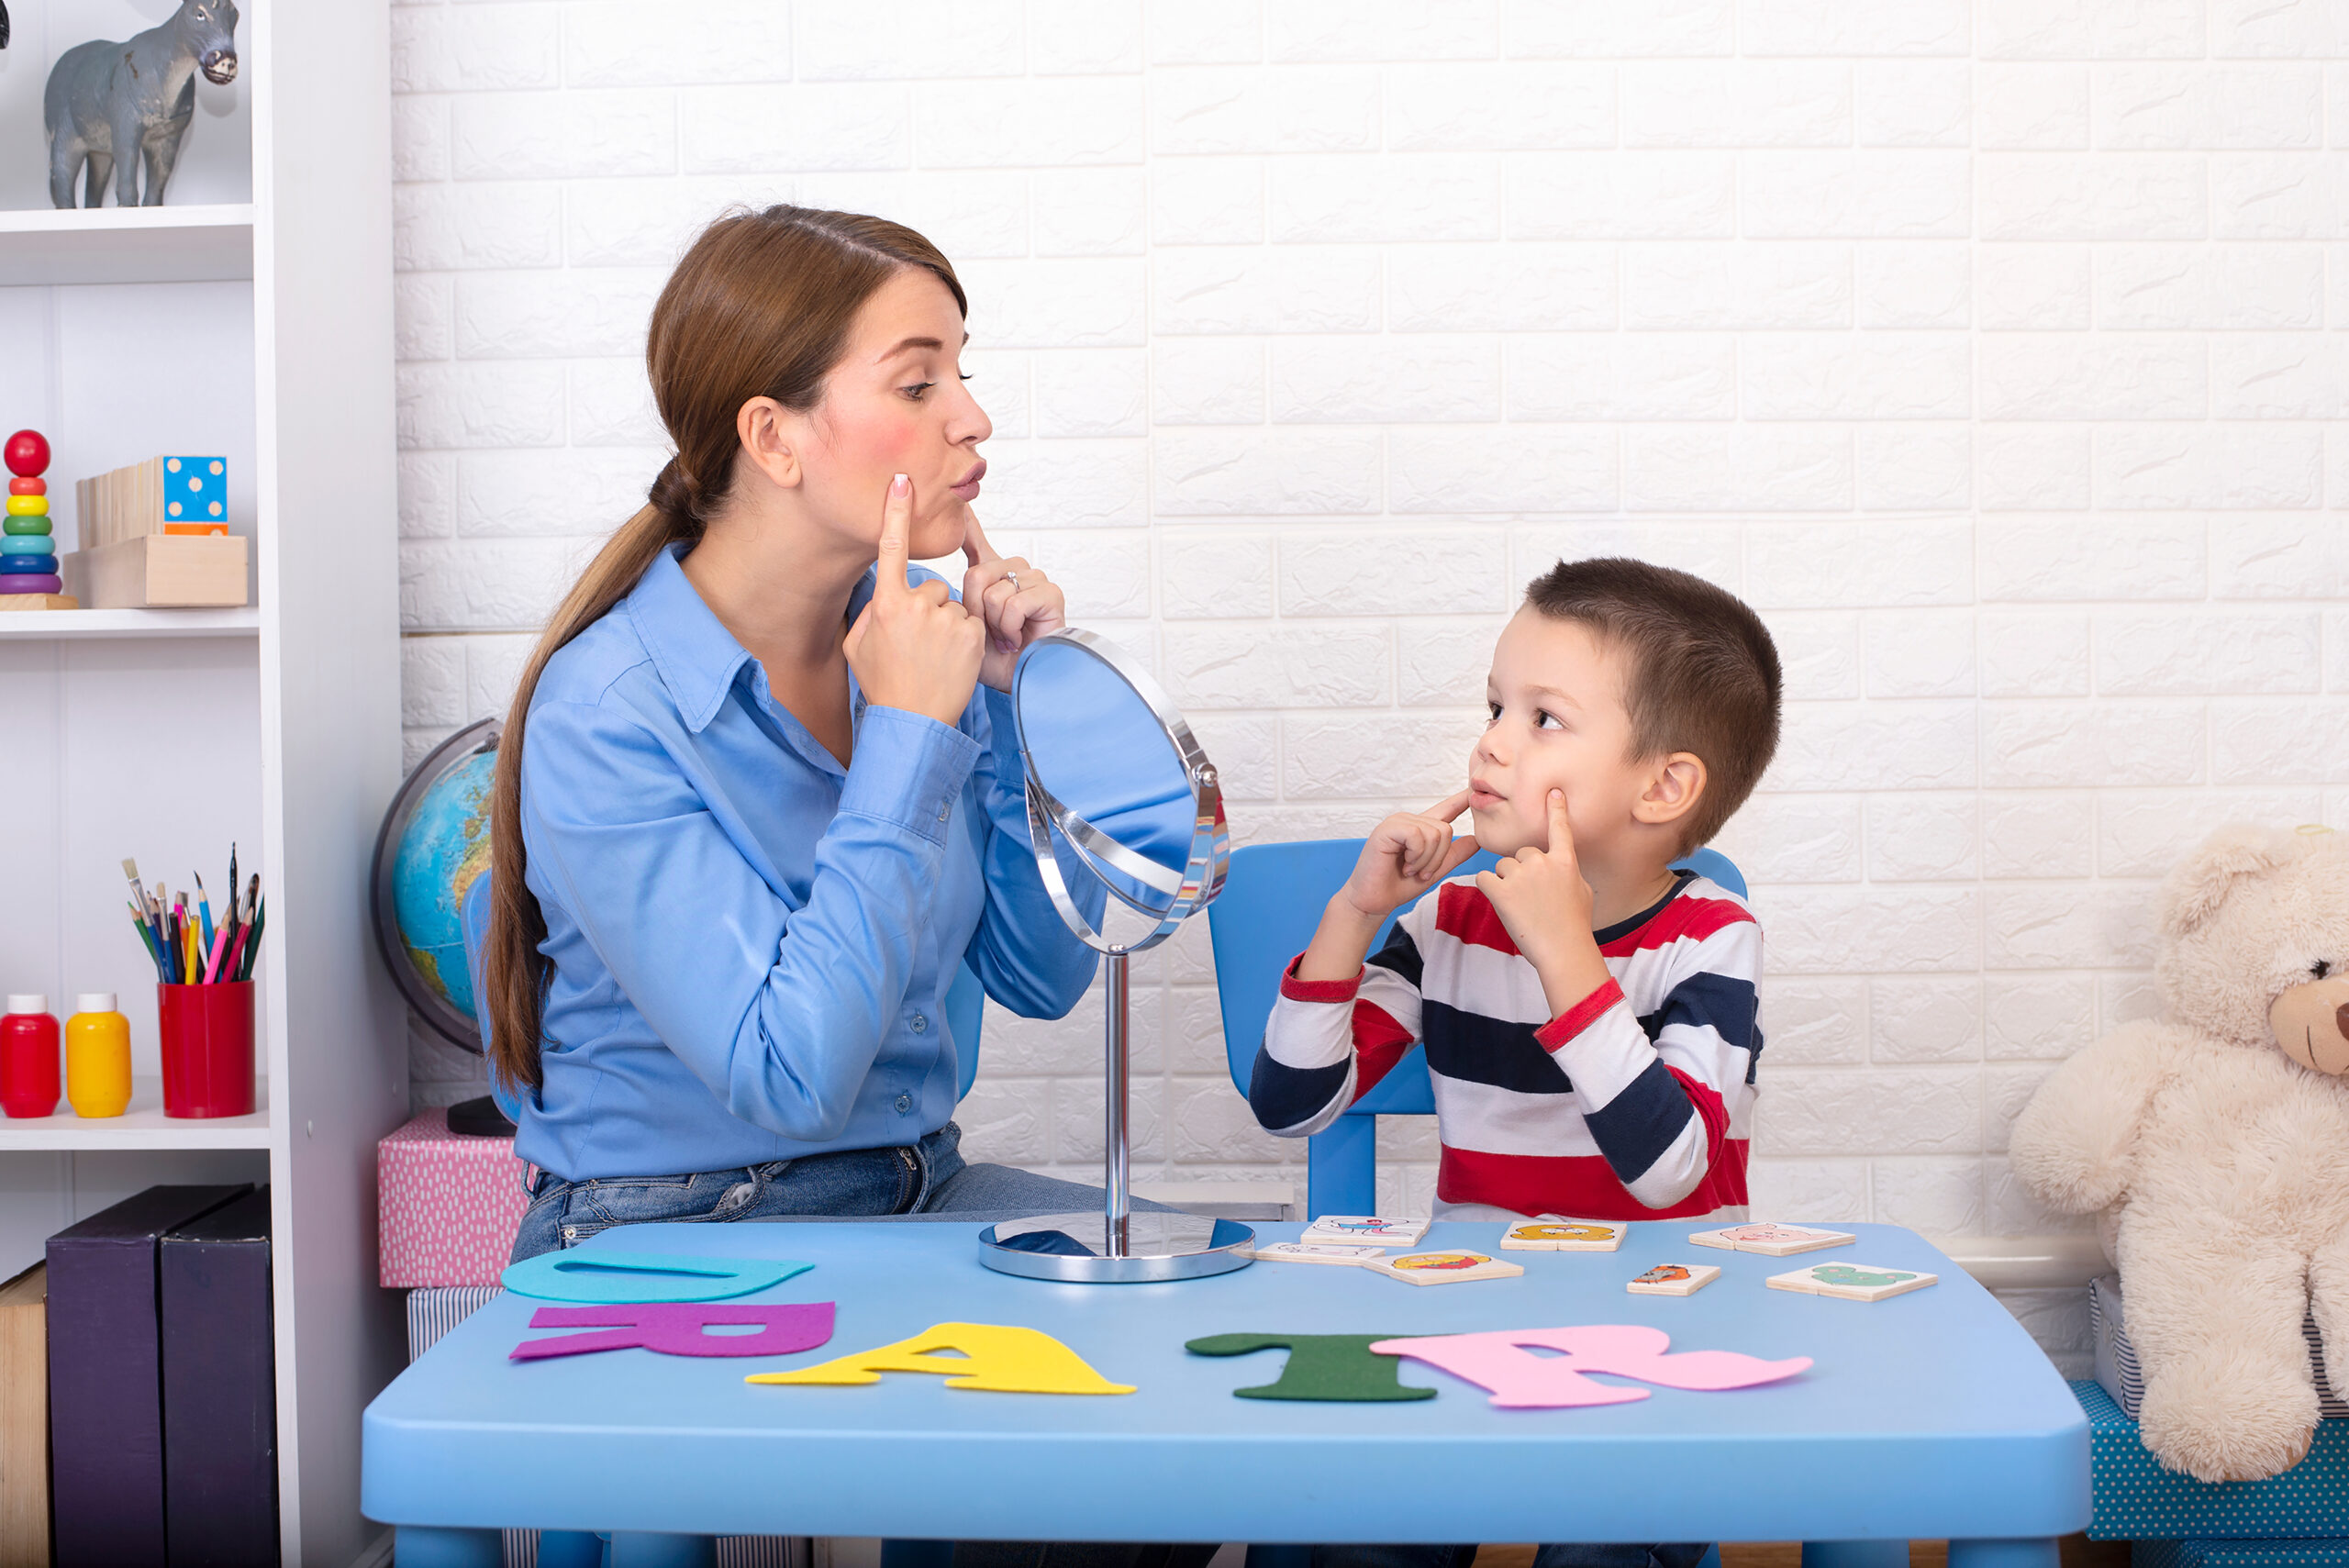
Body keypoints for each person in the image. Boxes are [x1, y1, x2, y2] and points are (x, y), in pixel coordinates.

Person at [481, 206, 1139, 1262]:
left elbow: (1041, 972)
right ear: (773, 437)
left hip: (922, 1189)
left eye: (963, 374)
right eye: (919, 383)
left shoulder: (920, 638)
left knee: (1207, 1301)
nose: (972, 419)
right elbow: (791, 1077)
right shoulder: (606, 713)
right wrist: (910, 741)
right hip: (675, 1227)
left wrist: (1018, 709)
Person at [1248, 557, 1784, 1568]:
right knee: (1337, 1530)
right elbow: (1290, 1104)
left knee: (1609, 1553)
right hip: (1470, 1311)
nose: (1490, 740)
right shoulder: (1456, 914)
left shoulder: (1711, 936)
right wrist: (1354, 914)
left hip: (1657, 1335)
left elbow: (1671, 1167)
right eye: (1497, 704)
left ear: (1663, 785)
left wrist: (1565, 953)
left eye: (1544, 718)